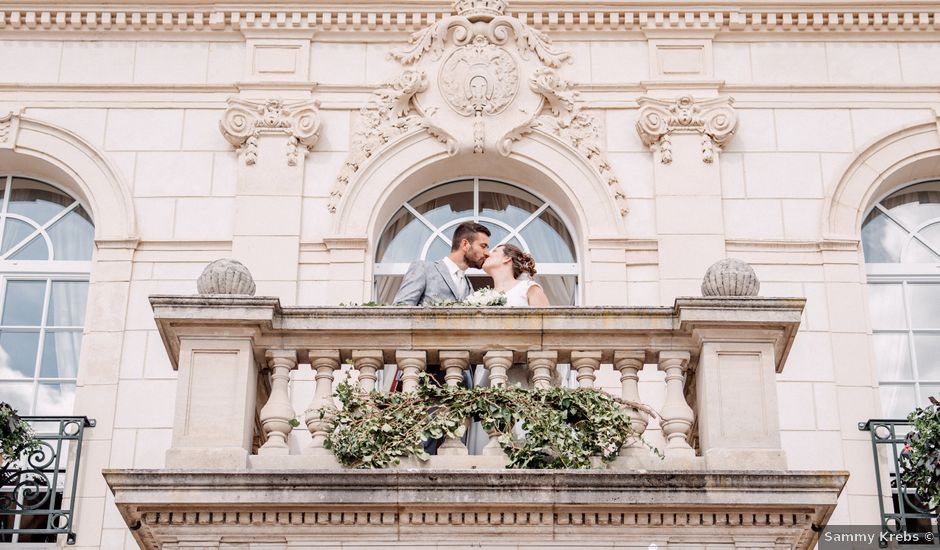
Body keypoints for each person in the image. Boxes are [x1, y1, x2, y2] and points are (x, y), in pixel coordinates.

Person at [393, 221, 491, 305]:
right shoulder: (424, 269)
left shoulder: (468, 285)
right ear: (465, 244)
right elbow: (400, 309)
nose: (487, 253)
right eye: (483, 246)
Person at [481, 243, 550, 306]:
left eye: (494, 251)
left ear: (507, 258)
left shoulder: (528, 288)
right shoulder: (483, 297)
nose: (487, 254)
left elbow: (546, 319)